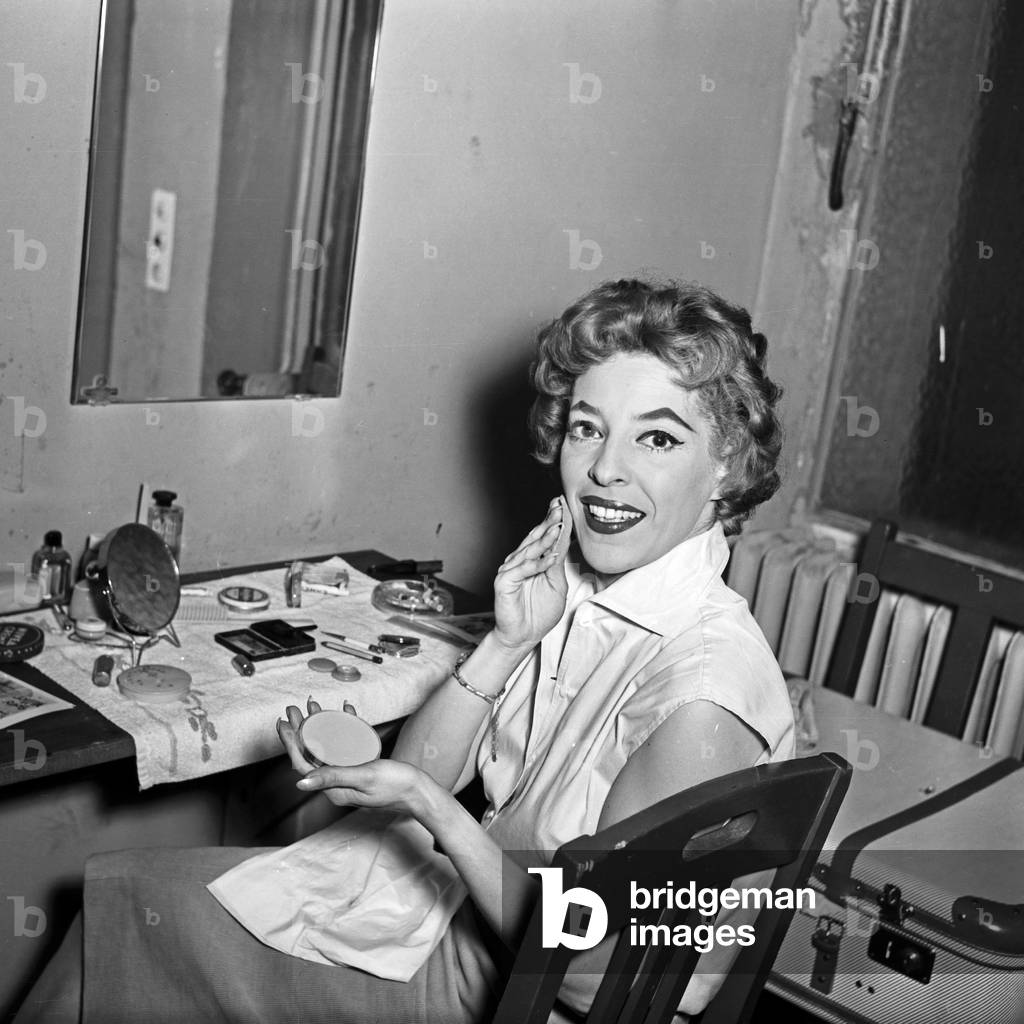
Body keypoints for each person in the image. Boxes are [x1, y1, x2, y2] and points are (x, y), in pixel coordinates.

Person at [15, 278, 794, 1023]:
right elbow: (426, 770)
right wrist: (505, 644)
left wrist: (435, 813)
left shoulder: (700, 696)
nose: (604, 470)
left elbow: (592, 974)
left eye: (657, 437)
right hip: (461, 916)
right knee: (124, 902)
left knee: (122, 910)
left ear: (727, 464)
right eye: (588, 427)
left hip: (507, 994)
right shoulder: (591, 593)